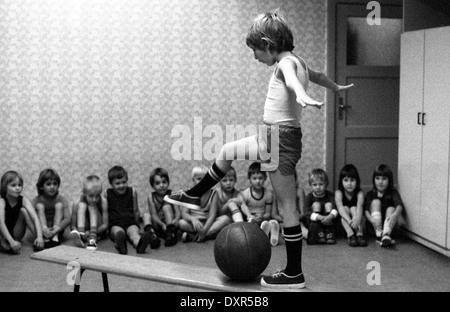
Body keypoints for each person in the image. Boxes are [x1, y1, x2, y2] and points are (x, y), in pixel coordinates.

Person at [165, 11, 353, 289]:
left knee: (287, 206)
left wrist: (302, 95)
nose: (255, 57)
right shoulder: (297, 60)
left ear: (267, 44)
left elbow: (291, 79)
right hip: (271, 138)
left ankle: (293, 273)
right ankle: (196, 195)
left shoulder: (285, 64)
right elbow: (319, 75)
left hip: (279, 142)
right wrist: (334, 87)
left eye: (255, 50)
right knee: (227, 150)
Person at [106, 166, 160, 255]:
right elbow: (106, 212)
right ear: (111, 184)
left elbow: (136, 210)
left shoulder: (132, 192)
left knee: (134, 234)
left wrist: (137, 224)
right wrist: (108, 228)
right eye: (117, 183)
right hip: (115, 223)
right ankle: (121, 245)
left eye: (124, 182)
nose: (121, 185)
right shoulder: (107, 193)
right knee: (118, 233)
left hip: (130, 222)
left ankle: (139, 245)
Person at [178, 166, 230, 243]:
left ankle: (196, 236)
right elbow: (184, 213)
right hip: (195, 224)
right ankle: (209, 235)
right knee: (181, 223)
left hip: (208, 224)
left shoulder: (214, 193)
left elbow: (212, 216)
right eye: (199, 179)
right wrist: (193, 219)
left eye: (205, 179)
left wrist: (205, 230)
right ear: (193, 180)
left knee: (226, 218)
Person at [0, 171, 44, 254]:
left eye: (19, 185)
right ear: (5, 187)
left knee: (23, 211)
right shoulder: (2, 201)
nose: (18, 188)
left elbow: (35, 218)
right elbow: (1, 223)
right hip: (3, 233)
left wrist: (39, 236)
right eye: (13, 185)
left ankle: (38, 241)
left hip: (16, 232)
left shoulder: (23, 200)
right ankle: (4, 242)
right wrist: (11, 241)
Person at [364, 164, 404, 248]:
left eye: (384, 179)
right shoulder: (370, 194)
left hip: (390, 227)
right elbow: (365, 211)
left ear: (389, 180)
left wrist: (395, 214)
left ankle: (386, 235)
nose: (380, 182)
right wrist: (372, 220)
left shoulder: (393, 192)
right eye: (377, 178)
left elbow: (399, 205)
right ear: (373, 180)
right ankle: (379, 234)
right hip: (374, 226)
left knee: (391, 208)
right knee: (376, 202)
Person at [32, 168, 71, 249]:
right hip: (42, 230)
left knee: (59, 205)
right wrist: (42, 230)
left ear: (58, 185)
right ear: (42, 186)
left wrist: (55, 231)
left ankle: (55, 239)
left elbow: (67, 219)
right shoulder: (36, 200)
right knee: (39, 206)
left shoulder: (61, 199)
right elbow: (31, 219)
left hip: (57, 230)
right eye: (48, 184)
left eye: (55, 184)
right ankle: (45, 239)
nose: (52, 187)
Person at [69, 175, 108, 250]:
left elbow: (105, 225)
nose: (94, 199)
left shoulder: (103, 201)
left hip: (96, 229)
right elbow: (72, 226)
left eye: (97, 196)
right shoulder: (76, 203)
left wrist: (90, 233)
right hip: (83, 228)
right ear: (84, 193)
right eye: (91, 196)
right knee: (82, 205)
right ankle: (81, 234)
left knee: (92, 206)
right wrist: (76, 231)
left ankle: (92, 238)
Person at [335, 164, 367, 247]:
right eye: (346, 180)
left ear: (357, 181)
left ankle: (359, 234)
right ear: (341, 181)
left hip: (357, 222)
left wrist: (357, 219)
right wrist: (350, 221)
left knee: (354, 208)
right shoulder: (338, 193)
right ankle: (351, 235)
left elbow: (360, 207)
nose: (349, 183)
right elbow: (340, 208)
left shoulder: (359, 193)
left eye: (352, 180)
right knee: (345, 208)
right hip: (344, 223)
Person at [147, 168, 180, 247]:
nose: (161, 185)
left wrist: (176, 220)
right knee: (145, 215)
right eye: (157, 183)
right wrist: (162, 225)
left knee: (166, 207)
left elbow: (178, 212)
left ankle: (170, 234)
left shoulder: (172, 194)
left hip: (170, 224)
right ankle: (152, 236)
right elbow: (154, 215)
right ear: (153, 186)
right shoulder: (151, 197)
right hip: (159, 225)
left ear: (168, 183)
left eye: (164, 182)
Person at [305, 169, 338, 245]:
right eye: (314, 185)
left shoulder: (330, 195)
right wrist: (319, 217)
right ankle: (320, 232)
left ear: (326, 184)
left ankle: (329, 231)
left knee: (328, 204)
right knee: (316, 204)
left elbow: (335, 207)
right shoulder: (309, 197)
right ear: (310, 185)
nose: (318, 187)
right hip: (316, 221)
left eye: (321, 184)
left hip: (329, 219)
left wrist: (330, 216)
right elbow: (306, 212)